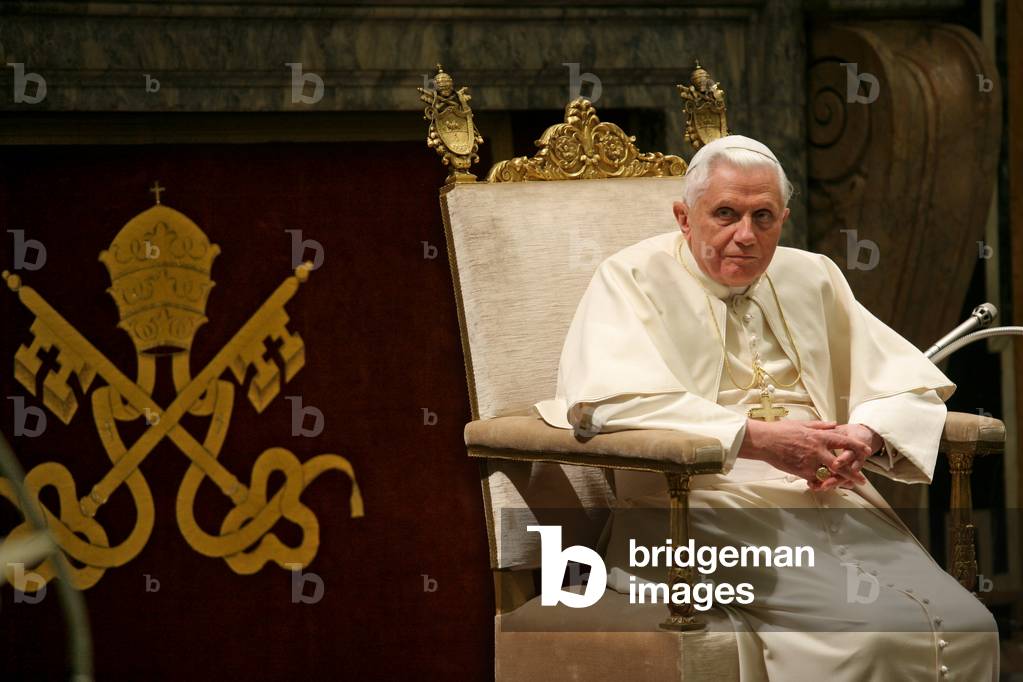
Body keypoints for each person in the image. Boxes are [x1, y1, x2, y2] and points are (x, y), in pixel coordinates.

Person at [533, 135, 999, 681]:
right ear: (685, 217)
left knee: (972, 627)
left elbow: (904, 382)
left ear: (785, 217)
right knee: (865, 635)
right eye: (725, 214)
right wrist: (760, 440)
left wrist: (865, 435)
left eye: (764, 217)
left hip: (828, 498)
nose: (745, 236)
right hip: (693, 512)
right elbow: (604, 404)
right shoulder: (630, 278)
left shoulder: (813, 275)